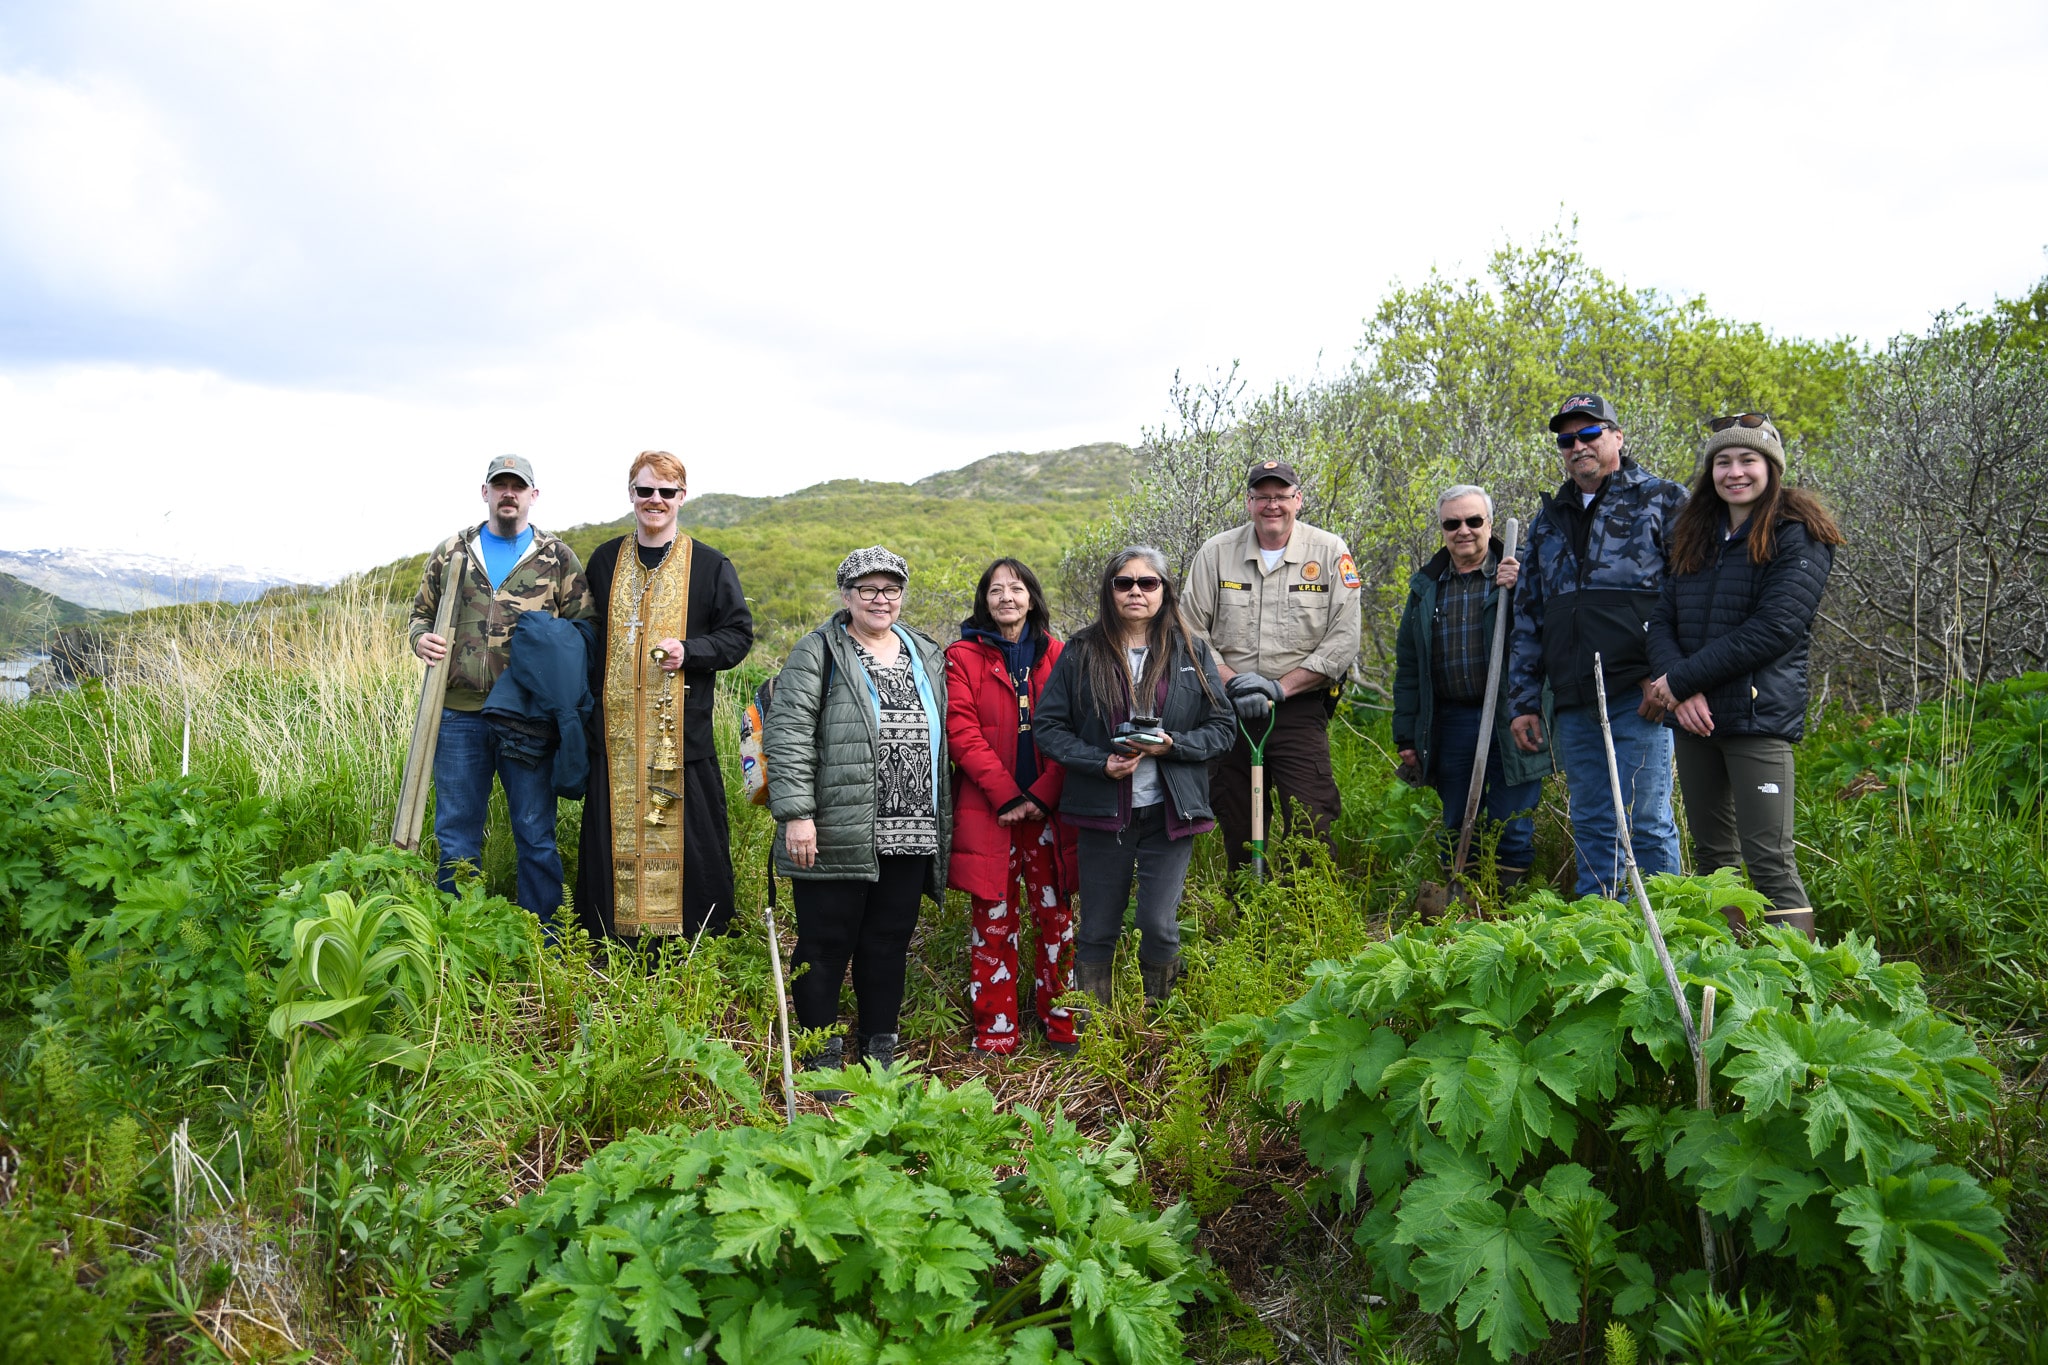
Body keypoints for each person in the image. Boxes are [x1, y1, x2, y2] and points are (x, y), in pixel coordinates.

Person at [1648, 415, 1841, 939]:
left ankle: (1795, 988)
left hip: (1758, 719)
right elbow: (1662, 616)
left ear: (1771, 468)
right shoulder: (1694, 535)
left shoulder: (1799, 535)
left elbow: (1775, 629)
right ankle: (1729, 977)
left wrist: (1681, 681)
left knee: (1769, 860)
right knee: (1714, 860)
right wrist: (1677, 686)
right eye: (1723, 461)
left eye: (1748, 460)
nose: (1735, 472)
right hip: (1696, 720)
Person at [766, 547, 950, 1088]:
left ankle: (880, 1044)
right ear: (846, 596)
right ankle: (820, 1047)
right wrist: (797, 815)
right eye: (867, 589)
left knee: (890, 939)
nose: (880, 599)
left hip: (912, 825)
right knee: (826, 941)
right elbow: (788, 734)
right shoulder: (818, 651)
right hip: (837, 827)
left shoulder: (924, 652)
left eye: (890, 589)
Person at [1035, 548, 1235, 1008]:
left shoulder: (1190, 650)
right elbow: (1049, 727)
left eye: (1148, 583)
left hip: (1170, 811)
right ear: (1110, 591)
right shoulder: (1082, 651)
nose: (1136, 592)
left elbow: (1222, 728)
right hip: (1104, 812)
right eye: (1124, 583)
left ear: (1164, 591)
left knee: (1160, 924)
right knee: (1098, 928)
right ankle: (1096, 1032)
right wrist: (1100, 762)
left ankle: (1158, 1024)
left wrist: (1174, 746)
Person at [1508, 394, 1689, 899]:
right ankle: (1600, 942)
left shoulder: (1663, 500)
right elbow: (1529, 615)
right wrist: (1523, 702)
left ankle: (1666, 940)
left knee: (1648, 823)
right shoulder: (1547, 520)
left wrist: (1674, 678)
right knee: (1591, 824)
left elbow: (1690, 595)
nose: (1577, 446)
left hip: (1641, 696)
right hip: (1573, 701)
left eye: (1589, 434)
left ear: (1617, 436)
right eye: (1567, 439)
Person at [573, 451, 755, 943]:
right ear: (631, 494)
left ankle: (695, 939)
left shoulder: (712, 565)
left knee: (689, 837)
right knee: (611, 833)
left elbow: (738, 636)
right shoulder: (605, 560)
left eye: (666, 492)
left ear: (682, 497)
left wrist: (691, 651)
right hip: (614, 736)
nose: (655, 500)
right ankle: (611, 937)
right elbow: (586, 636)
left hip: (680, 732)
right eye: (645, 490)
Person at [408, 454, 593, 929]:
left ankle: (545, 937)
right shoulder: (453, 551)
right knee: (455, 833)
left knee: (534, 830)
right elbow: (420, 615)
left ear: (533, 495)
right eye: (500, 485)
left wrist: (554, 675)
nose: (508, 493)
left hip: (527, 721)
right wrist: (419, 638)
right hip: (458, 714)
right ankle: (459, 934)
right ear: (485, 492)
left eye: (518, 486)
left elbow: (585, 629)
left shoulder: (556, 557)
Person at [1181, 460, 1363, 870]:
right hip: (1228, 709)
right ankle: (1249, 914)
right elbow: (1190, 631)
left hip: (1297, 707)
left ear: (1298, 499)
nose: (1272, 505)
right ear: (1248, 502)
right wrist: (1234, 684)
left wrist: (1280, 688)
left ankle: (1305, 915)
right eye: (1262, 496)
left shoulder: (1331, 552)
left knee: (1311, 817)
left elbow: (1344, 637)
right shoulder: (1216, 553)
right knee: (1238, 821)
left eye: (1281, 496)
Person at [945, 559, 1081, 1056]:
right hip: (991, 813)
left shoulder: (1060, 655)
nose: (1007, 597)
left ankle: (1061, 1024)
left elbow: (1074, 733)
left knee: (1057, 920)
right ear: (984, 600)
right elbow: (961, 732)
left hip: (1050, 812)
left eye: (1017, 588)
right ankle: (996, 1030)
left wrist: (1042, 796)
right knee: (993, 922)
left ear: (1032, 597)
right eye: (996, 590)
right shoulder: (961, 656)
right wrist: (1006, 796)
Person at [1393, 485, 1554, 892]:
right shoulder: (1426, 588)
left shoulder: (1521, 573)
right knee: (1456, 821)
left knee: (1512, 824)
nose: (1463, 530)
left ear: (1490, 524)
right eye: (1452, 523)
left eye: (1473, 521)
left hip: (1516, 715)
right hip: (1451, 722)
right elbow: (1410, 667)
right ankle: (1460, 903)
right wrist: (1406, 734)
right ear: (1443, 529)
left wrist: (1525, 587)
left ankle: (1502, 909)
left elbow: (1557, 629)